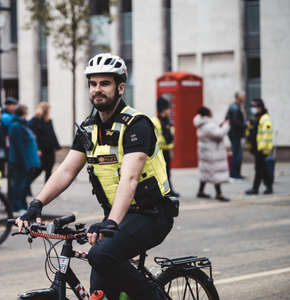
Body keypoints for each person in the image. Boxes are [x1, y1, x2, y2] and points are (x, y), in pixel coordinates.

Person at [16, 53, 174, 299]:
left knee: (100, 256)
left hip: (151, 214)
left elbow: (130, 179)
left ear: (120, 87)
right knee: (99, 291)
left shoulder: (137, 125)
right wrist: (36, 204)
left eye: (105, 83)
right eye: (93, 83)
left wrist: (111, 222)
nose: (97, 89)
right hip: (117, 216)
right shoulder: (88, 129)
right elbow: (66, 171)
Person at [193, 106, 230, 201]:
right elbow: (219, 134)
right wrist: (226, 125)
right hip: (212, 153)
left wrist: (220, 125)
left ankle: (200, 191)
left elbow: (213, 132)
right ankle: (219, 194)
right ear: (207, 113)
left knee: (205, 172)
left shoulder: (202, 124)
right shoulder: (208, 125)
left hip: (206, 152)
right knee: (215, 173)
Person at [8, 105, 41, 214]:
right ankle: (17, 207)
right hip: (19, 161)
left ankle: (21, 205)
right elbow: (19, 146)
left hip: (25, 161)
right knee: (19, 185)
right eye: (26, 113)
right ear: (23, 114)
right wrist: (26, 162)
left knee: (23, 185)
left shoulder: (21, 125)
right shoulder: (16, 126)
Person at [151, 97, 179, 197]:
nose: (170, 111)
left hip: (166, 150)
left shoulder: (167, 121)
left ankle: (169, 189)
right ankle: (165, 191)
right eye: (168, 108)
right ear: (163, 109)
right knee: (161, 172)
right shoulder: (155, 121)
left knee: (167, 172)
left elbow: (170, 136)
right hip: (159, 152)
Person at [245, 99, 274, 195]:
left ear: (260, 107)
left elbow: (266, 134)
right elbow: (254, 129)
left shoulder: (265, 118)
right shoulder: (257, 117)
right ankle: (269, 187)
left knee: (258, 168)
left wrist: (262, 148)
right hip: (257, 147)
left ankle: (255, 188)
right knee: (263, 168)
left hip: (261, 148)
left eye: (255, 107)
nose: (253, 109)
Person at [29, 102, 61, 183]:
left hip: (49, 149)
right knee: (38, 170)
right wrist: (37, 149)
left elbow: (52, 133)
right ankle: (27, 185)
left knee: (49, 169)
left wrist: (57, 146)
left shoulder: (49, 120)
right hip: (41, 150)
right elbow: (32, 135)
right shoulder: (35, 120)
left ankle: (47, 189)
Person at [225, 91, 246, 179]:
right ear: (238, 97)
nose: (244, 98)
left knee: (237, 154)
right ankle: (235, 174)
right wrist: (245, 124)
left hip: (234, 134)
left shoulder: (235, 106)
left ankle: (235, 173)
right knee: (238, 154)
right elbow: (235, 122)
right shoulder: (235, 108)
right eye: (243, 96)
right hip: (235, 134)